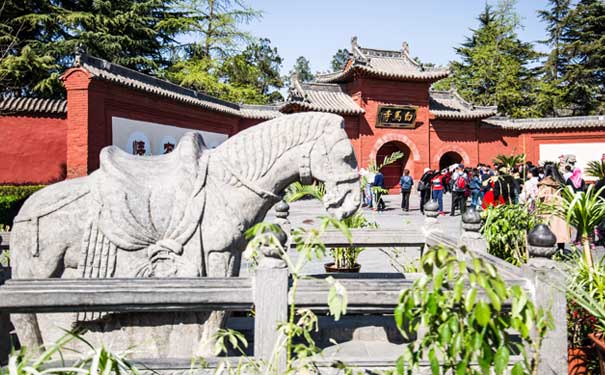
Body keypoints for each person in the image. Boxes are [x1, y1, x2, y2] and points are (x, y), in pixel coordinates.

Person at [537, 176, 571, 250]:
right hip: (559, 207)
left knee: (547, 230)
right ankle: (561, 249)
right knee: (560, 230)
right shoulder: (558, 183)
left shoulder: (543, 185)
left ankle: (547, 249)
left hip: (547, 208)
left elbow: (540, 196)